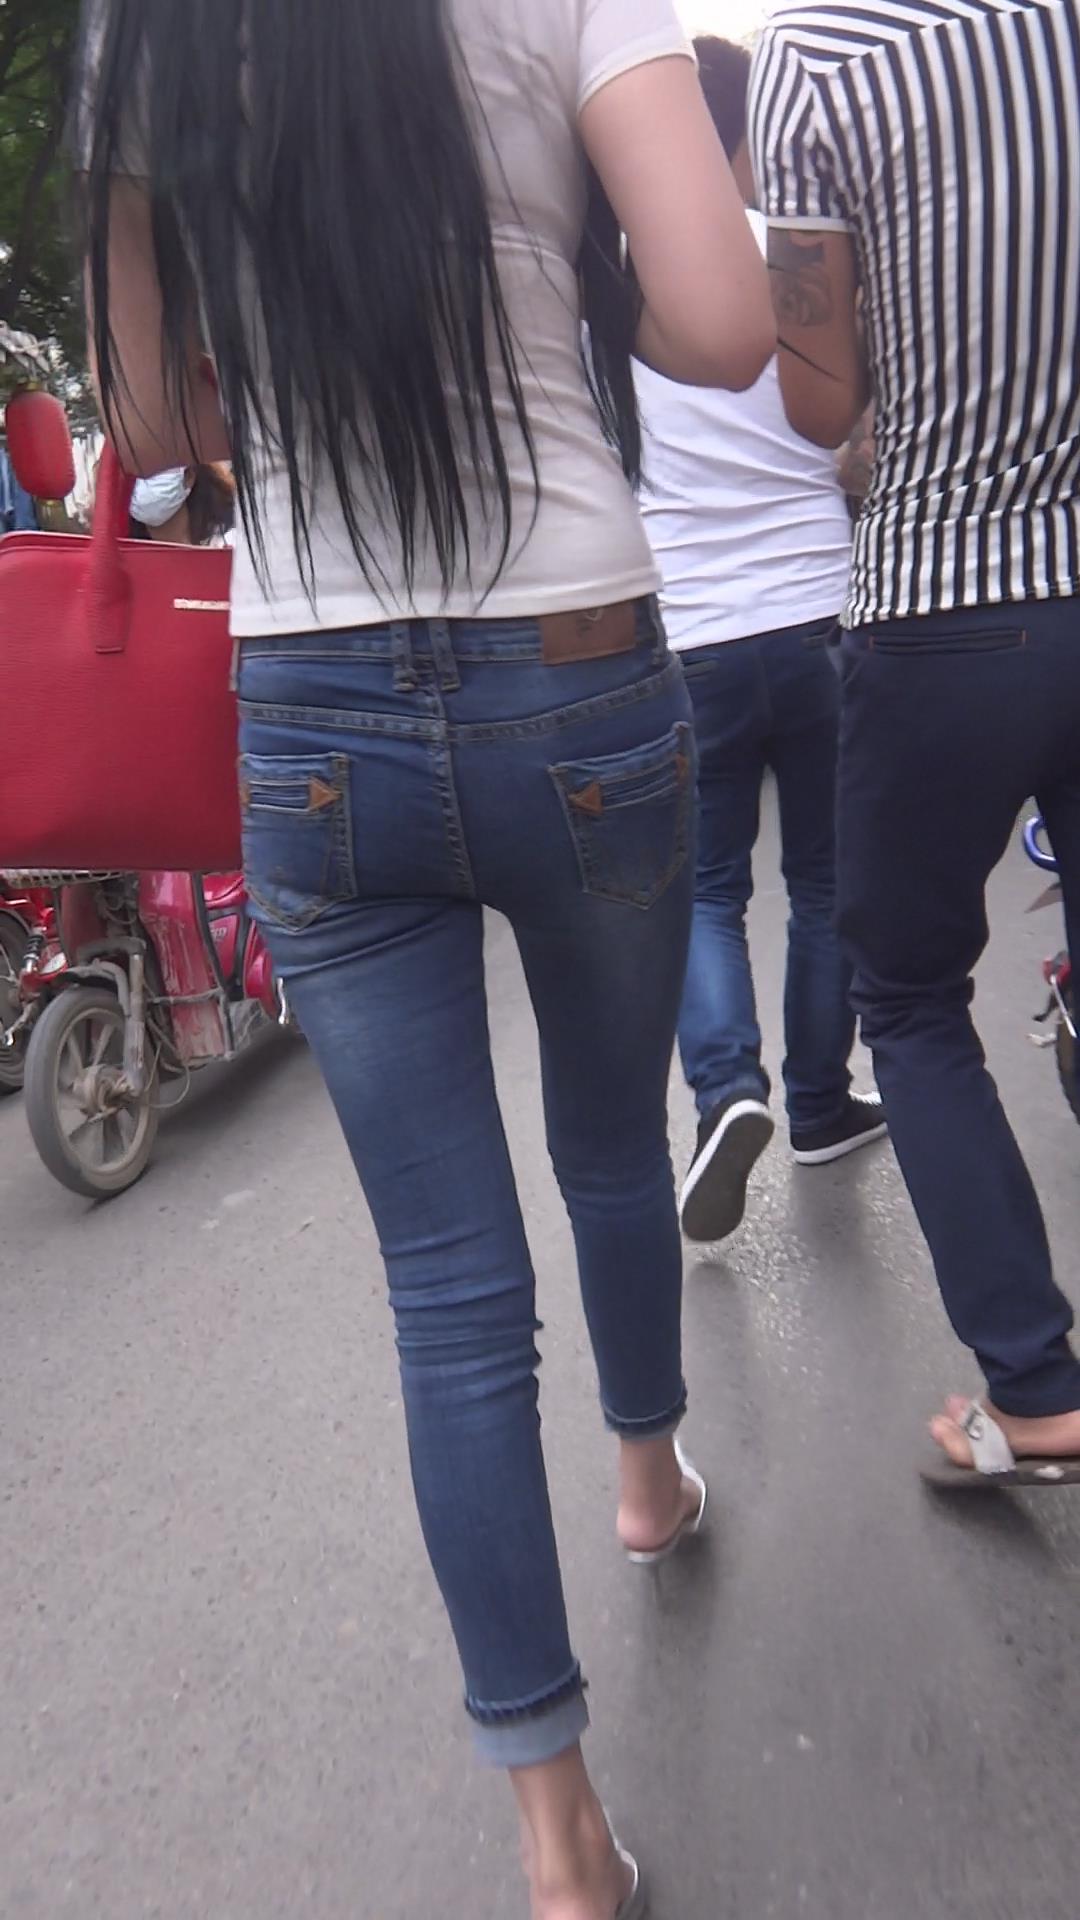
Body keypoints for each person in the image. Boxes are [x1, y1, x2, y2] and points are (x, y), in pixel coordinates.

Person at [74, 4, 774, 1914]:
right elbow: (725, 325)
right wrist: (568, 282)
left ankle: (557, 1842)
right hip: (576, 666)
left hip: (310, 699)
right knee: (612, 1151)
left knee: (449, 1296)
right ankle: (649, 1480)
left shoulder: (145, 28)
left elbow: (150, 431)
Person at [748, 0, 1080, 1483]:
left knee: (910, 996)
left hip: (946, 602)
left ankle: (1035, 1387)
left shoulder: (821, 56)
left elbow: (817, 393)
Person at [636, 36, 885, 1246]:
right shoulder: (799, 261)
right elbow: (856, 436)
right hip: (823, 615)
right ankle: (826, 1102)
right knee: (829, 881)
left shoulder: (628, 274)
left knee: (705, 890)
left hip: (690, 636)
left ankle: (727, 1091)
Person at [129, 463, 235, 545]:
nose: (145, 480)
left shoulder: (232, 542)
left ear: (188, 476)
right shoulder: (126, 551)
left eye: (156, 470)